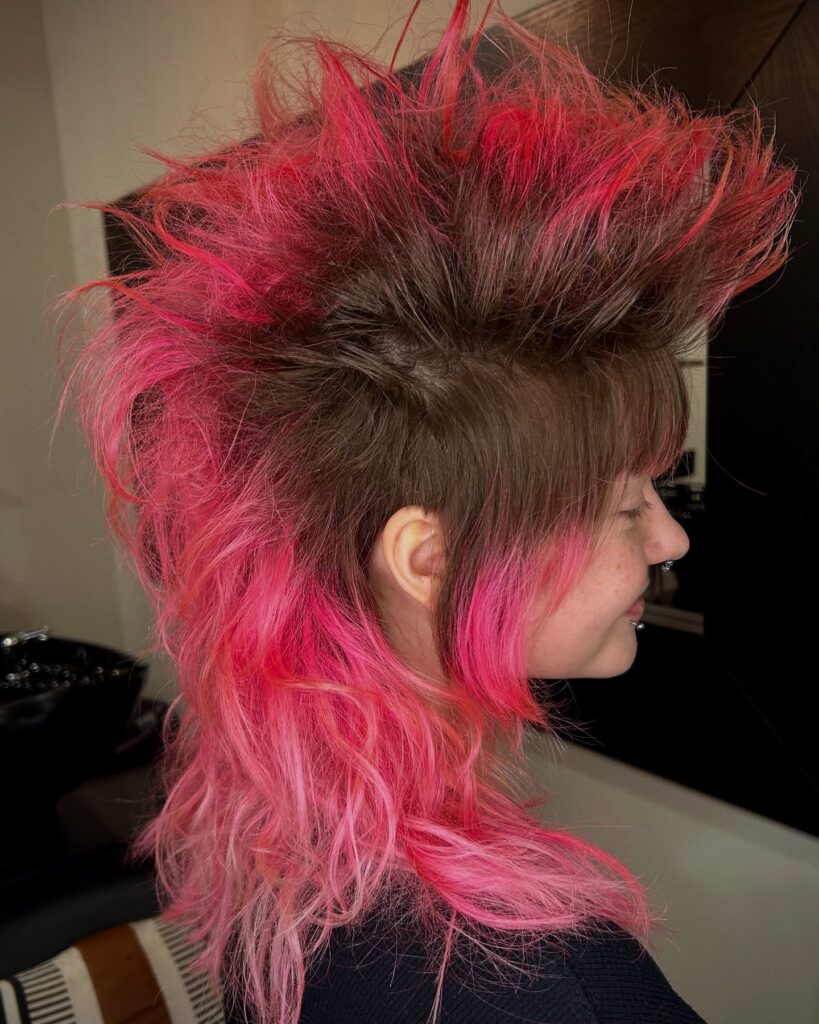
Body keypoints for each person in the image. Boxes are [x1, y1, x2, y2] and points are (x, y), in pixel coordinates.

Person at [51, 0, 799, 1021]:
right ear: (427, 556)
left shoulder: (281, 823)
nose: (670, 538)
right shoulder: (548, 987)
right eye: (626, 506)